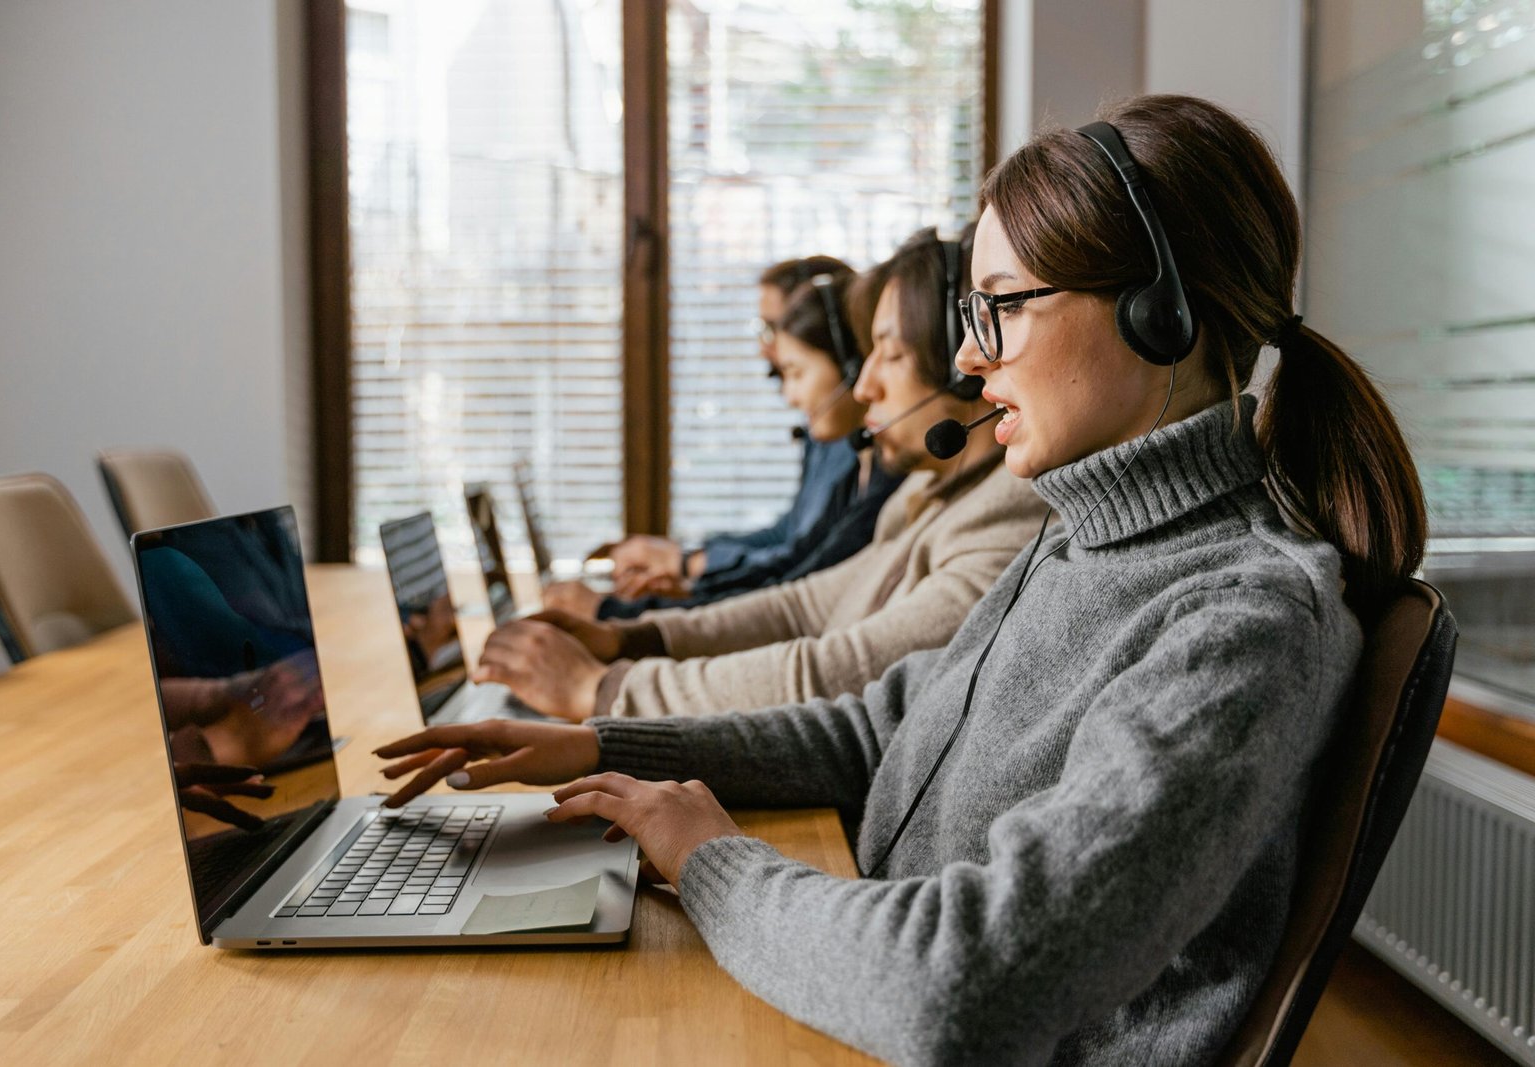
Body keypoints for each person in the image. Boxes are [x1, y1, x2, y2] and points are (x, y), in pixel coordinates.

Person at [374, 95, 1427, 1065]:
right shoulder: (1080, 540)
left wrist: (713, 863)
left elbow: (966, 983)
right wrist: (611, 746)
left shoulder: (1242, 620)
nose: (969, 363)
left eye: (1002, 306)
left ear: (1161, 312)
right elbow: (882, 728)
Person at [469, 228, 1048, 722]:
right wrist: (631, 637)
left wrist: (600, 689)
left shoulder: (1004, 515)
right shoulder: (929, 491)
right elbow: (799, 608)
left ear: (963, 371)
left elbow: (835, 669)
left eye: (889, 355)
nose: (865, 385)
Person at [562, 269, 905, 621]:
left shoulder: (875, 466)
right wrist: (688, 585)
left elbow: (798, 590)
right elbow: (796, 561)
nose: (764, 347)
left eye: (795, 369)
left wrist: (634, 611)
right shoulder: (856, 461)